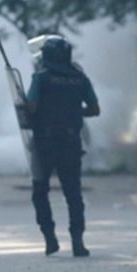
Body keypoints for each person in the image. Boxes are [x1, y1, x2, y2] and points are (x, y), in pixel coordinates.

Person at [24, 34, 100, 258]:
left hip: (44, 143)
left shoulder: (41, 78)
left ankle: (49, 237)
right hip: (70, 142)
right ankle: (78, 240)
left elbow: (32, 106)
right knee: (73, 193)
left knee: (40, 191)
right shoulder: (80, 78)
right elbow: (95, 109)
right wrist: (74, 111)